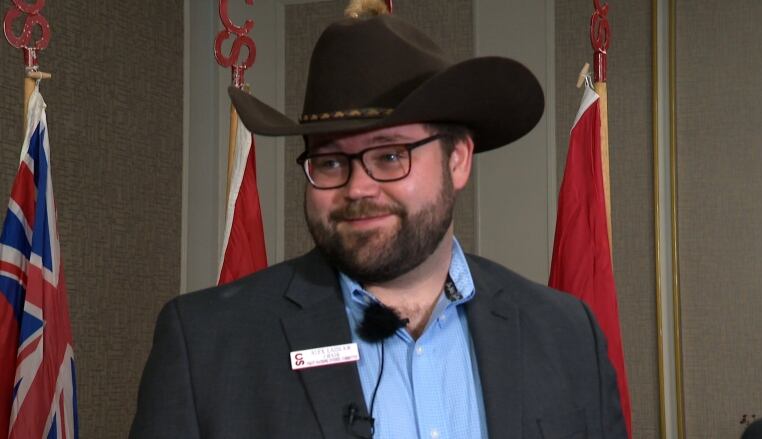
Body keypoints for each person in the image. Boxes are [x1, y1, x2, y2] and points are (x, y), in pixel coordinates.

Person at [130, 3, 627, 438]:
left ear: (458, 160)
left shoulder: (566, 335)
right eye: (329, 162)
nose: (357, 188)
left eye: (390, 156)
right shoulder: (207, 344)